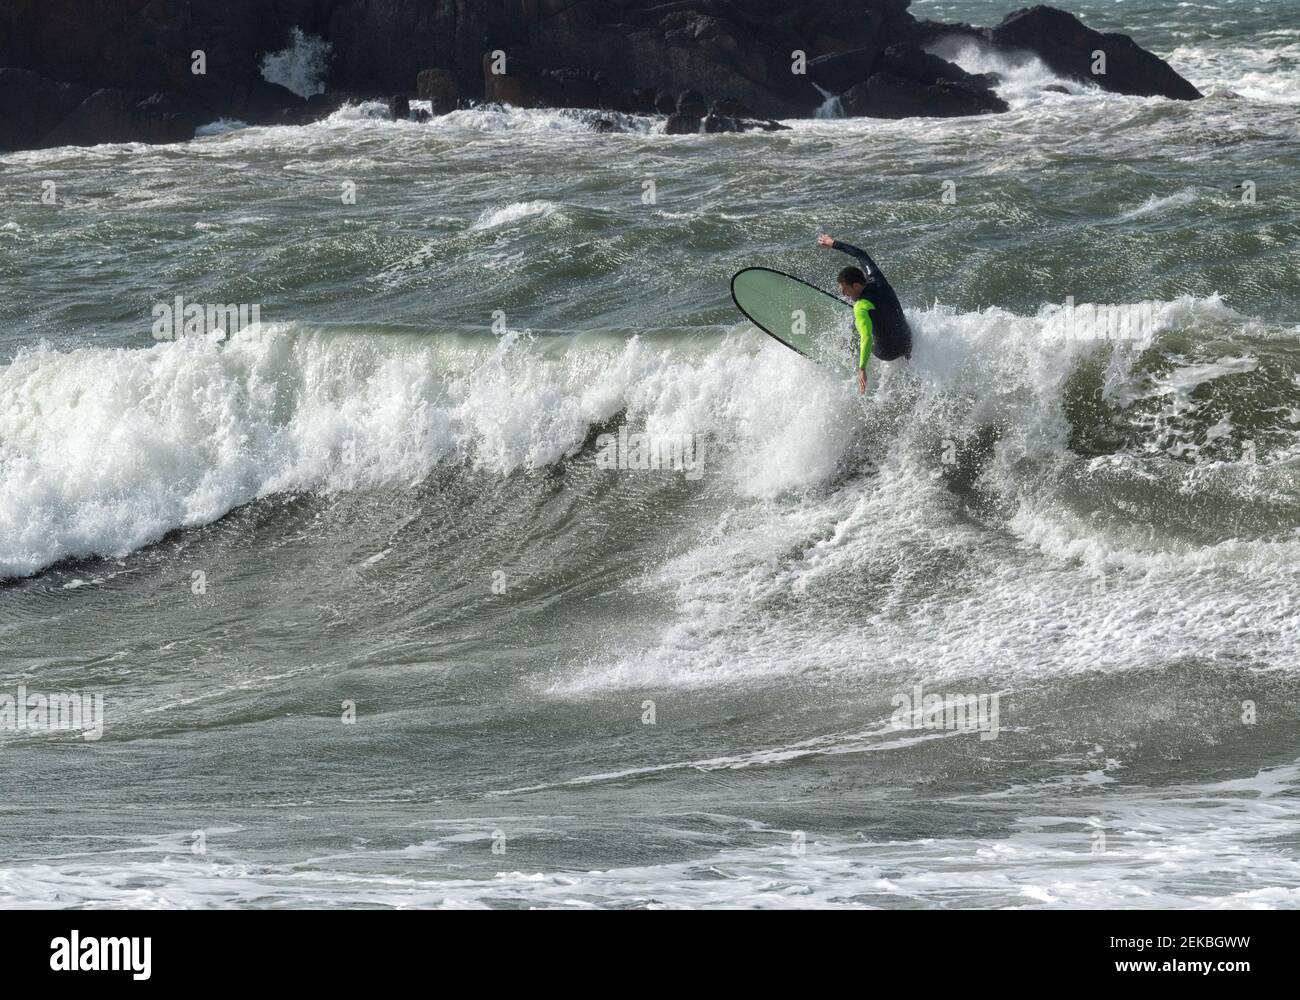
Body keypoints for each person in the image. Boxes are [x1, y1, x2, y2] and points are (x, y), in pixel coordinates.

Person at [817, 234, 912, 394]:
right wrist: (833, 243)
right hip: (908, 341)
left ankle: (849, 351)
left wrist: (862, 368)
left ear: (855, 286)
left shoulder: (860, 307)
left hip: (888, 352)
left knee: (857, 328)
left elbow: (867, 337)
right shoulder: (878, 279)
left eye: (844, 289)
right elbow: (861, 254)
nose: (843, 294)